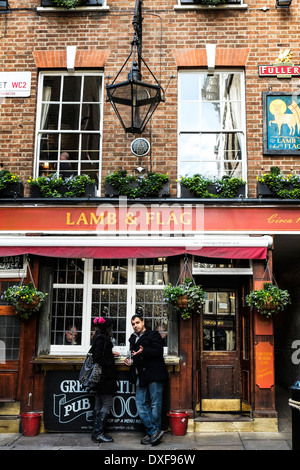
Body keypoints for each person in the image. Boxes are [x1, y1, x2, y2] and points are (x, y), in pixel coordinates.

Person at [125, 314, 168, 446]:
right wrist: (130, 361)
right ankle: (154, 431)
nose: (135, 325)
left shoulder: (153, 334)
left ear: (143, 322)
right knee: (140, 403)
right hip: (141, 375)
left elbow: (158, 352)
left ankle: (152, 434)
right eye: (133, 324)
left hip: (154, 373)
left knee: (155, 404)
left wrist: (144, 351)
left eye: (137, 322)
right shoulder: (132, 338)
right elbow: (133, 354)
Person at [91, 316, 119, 443]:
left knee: (98, 403)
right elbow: (97, 356)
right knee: (107, 403)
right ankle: (98, 433)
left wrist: (109, 353)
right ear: (108, 327)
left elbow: (98, 352)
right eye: (111, 327)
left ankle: (95, 432)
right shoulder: (102, 338)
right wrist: (108, 362)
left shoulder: (98, 337)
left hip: (100, 377)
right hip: (104, 376)